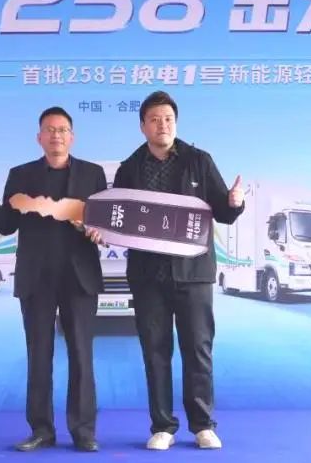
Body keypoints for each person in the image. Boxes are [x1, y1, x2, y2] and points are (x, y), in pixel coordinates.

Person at [112, 91, 244, 450]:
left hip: (193, 273)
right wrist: (99, 229)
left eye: (168, 119)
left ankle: (202, 425)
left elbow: (223, 211)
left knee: (197, 349)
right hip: (147, 276)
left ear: (176, 123)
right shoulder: (128, 169)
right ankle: (163, 426)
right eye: (155, 120)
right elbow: (117, 219)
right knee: (155, 352)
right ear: (142, 126)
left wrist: (234, 202)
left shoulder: (199, 161)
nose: (162, 125)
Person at [0, 106, 106, 452]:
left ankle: (84, 431)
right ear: (39, 137)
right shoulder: (20, 175)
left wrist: (98, 232)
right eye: (49, 129)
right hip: (37, 277)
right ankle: (41, 430)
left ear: (72, 137)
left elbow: (103, 224)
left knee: (82, 355)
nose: (56, 135)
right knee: (39, 355)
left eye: (62, 130)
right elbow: (7, 224)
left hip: (79, 277)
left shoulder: (93, 175)